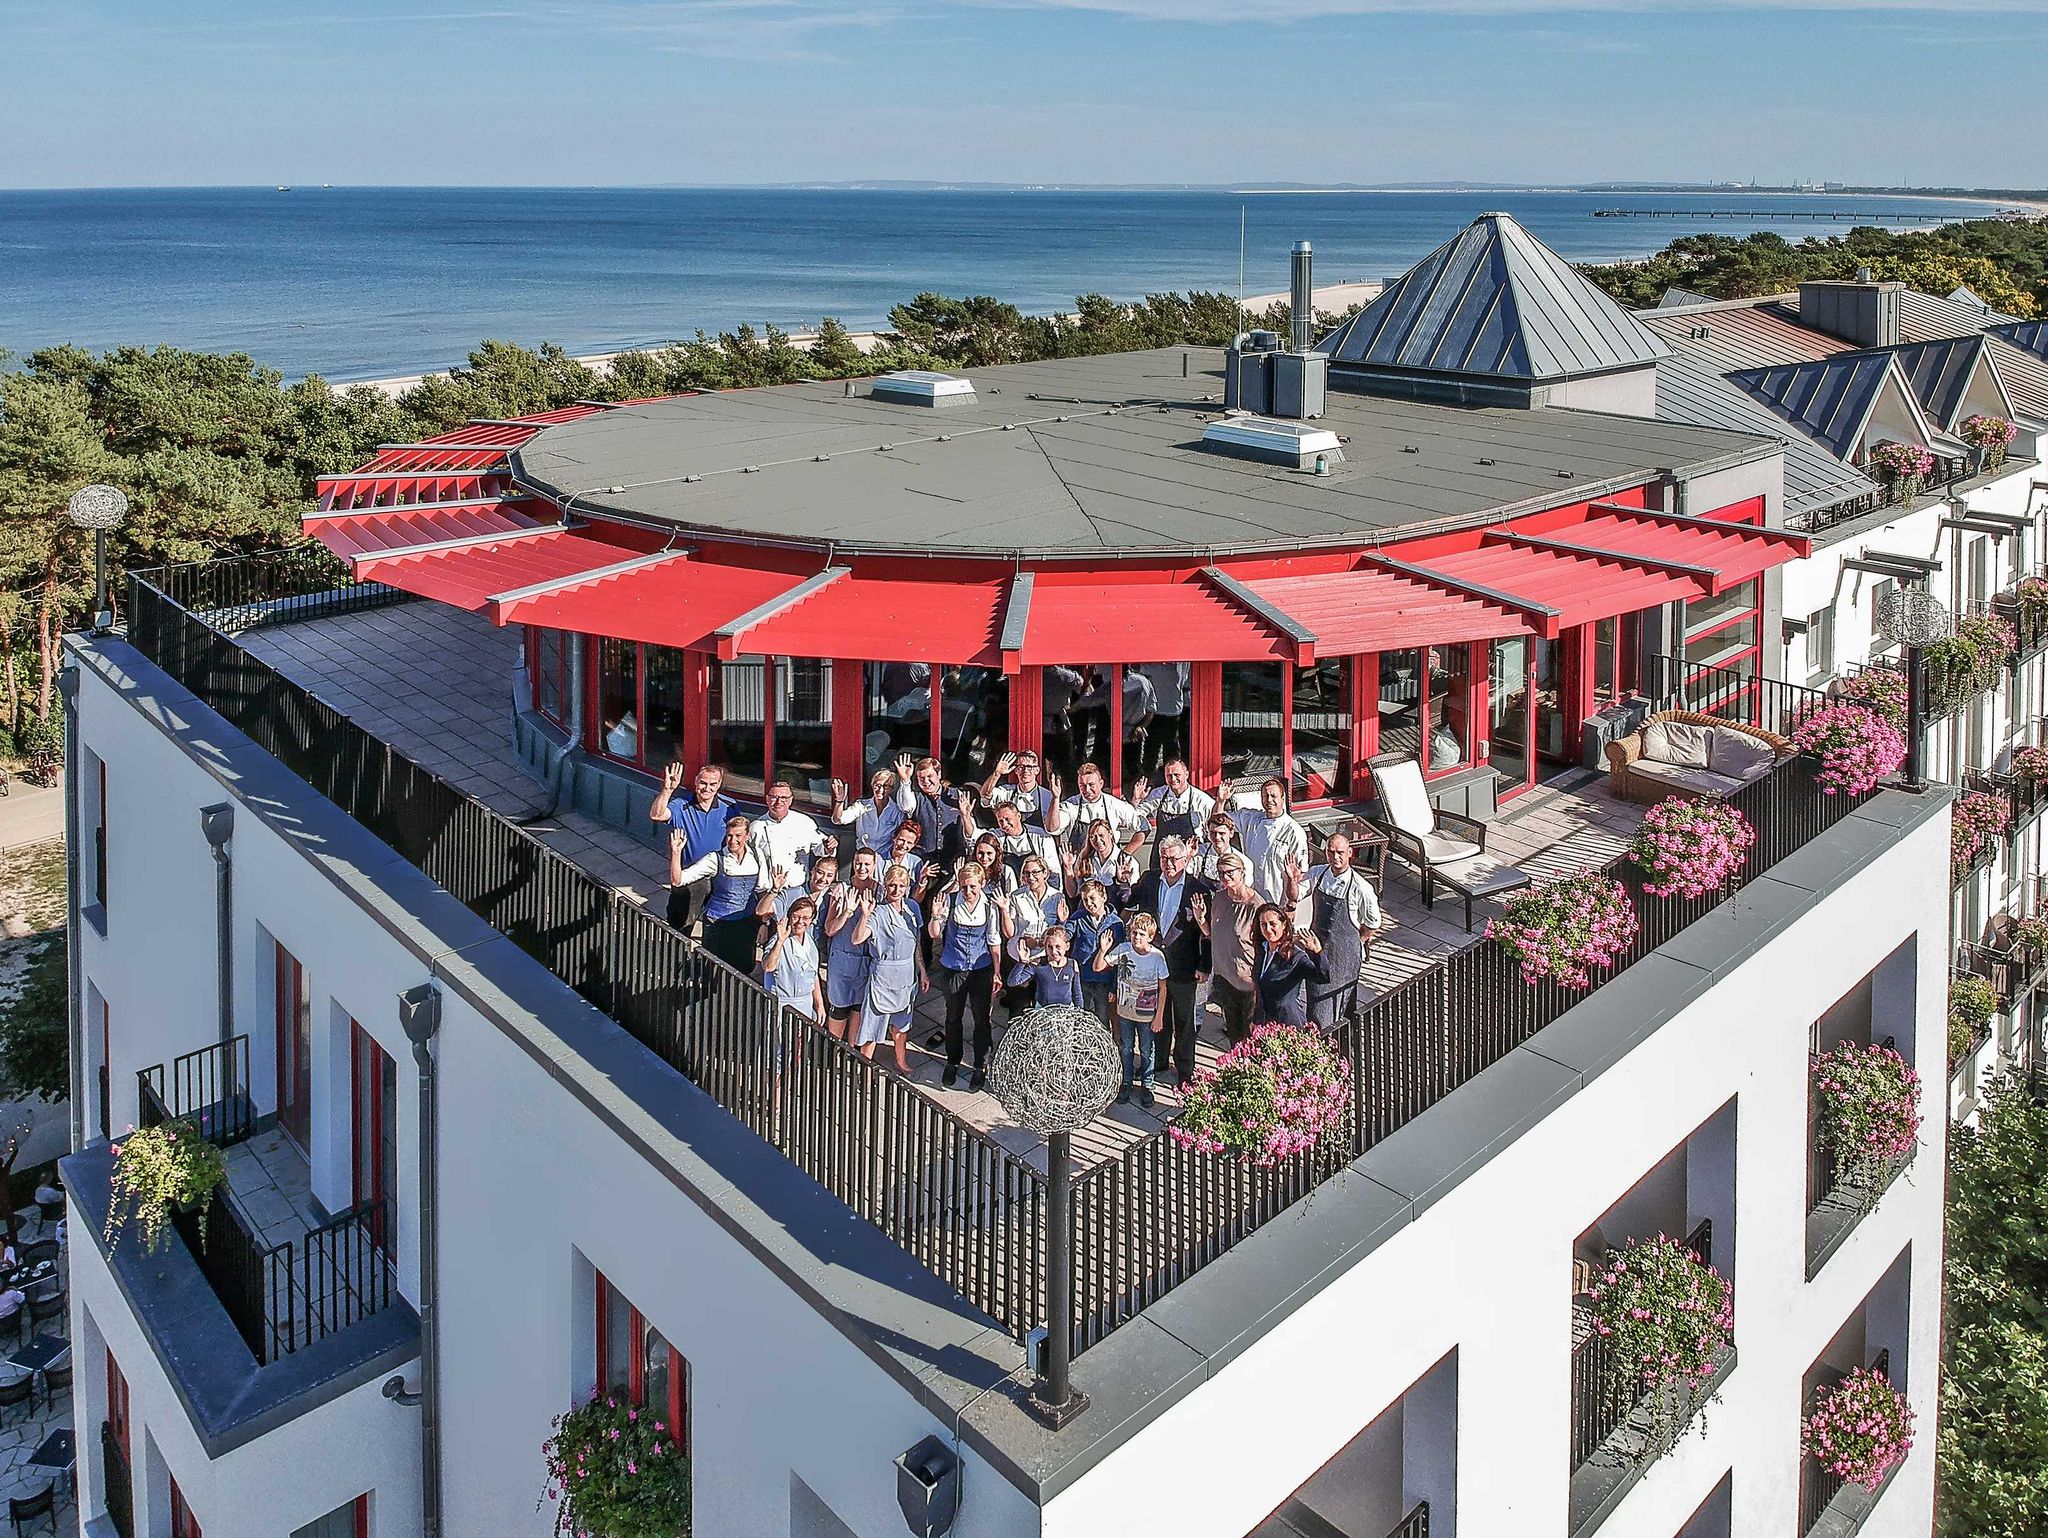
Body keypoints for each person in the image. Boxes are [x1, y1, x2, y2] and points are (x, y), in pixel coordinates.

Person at [1123, 835, 1212, 1093]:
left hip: (1184, 968)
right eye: (1164, 858)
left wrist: (1204, 966)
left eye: (1174, 858)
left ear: (1185, 860)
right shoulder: (1151, 879)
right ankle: (1159, 1062)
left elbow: (1206, 934)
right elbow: (1128, 899)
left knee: (1184, 1022)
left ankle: (1185, 1072)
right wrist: (1123, 880)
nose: (1168, 863)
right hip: (1154, 968)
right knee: (1157, 1018)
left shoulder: (1198, 890)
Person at [929, 859, 1005, 1089]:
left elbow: (994, 941)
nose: (969, 891)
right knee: (953, 1017)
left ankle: (980, 1065)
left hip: (981, 970)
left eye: (973, 886)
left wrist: (997, 972)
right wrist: (935, 917)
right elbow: (935, 935)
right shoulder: (950, 902)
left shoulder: (989, 906)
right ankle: (952, 1061)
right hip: (954, 967)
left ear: (981, 884)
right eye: (964, 887)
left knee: (982, 1019)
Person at [1298, 834, 1382, 1030]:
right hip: (1318, 952)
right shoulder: (1318, 874)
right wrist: (1292, 880)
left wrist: (1357, 940)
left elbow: (1373, 921)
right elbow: (1295, 895)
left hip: (1345, 958)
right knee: (1318, 1005)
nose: (1335, 857)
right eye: (1331, 852)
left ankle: (1344, 1045)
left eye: (1340, 853)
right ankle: (1321, 1047)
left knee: (1343, 1004)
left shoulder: (1361, 888)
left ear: (1350, 853)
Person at [668, 814, 767, 974]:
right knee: (714, 968)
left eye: (738, 836)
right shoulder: (715, 858)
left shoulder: (757, 855)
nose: (733, 840)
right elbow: (678, 880)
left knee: (743, 968)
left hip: (746, 923)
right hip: (718, 924)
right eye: (729, 835)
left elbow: (762, 890)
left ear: (747, 836)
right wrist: (676, 853)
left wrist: (763, 923)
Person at [851, 865, 927, 1073]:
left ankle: (901, 1060)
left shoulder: (913, 908)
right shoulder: (878, 912)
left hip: (906, 973)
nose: (896, 890)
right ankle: (864, 1068)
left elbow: (916, 941)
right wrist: (865, 915)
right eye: (892, 885)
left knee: (902, 1023)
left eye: (901, 886)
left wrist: (922, 969)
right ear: (885, 886)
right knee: (872, 1025)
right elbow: (857, 939)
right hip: (884, 974)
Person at [649, 762, 734, 929]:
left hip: (719, 875)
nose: (707, 788)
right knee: (681, 924)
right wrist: (668, 790)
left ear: (719, 784)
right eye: (703, 783)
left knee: (715, 925)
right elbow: (657, 815)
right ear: (696, 782)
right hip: (690, 875)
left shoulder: (730, 806)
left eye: (713, 784)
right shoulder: (681, 805)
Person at [1098, 913, 1170, 1108]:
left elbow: (1163, 988)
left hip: (1147, 1014)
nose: (1136, 937)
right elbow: (1098, 967)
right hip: (1125, 1011)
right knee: (1126, 1047)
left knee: (1147, 1049)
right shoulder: (1123, 950)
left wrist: (1159, 1017)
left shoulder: (1157, 957)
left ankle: (1148, 1084)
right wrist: (1103, 950)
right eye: (1133, 933)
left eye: (1140, 934)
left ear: (1150, 936)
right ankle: (1126, 1081)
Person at [820, 849, 880, 1041]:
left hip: (866, 960)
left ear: (874, 865)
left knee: (858, 1008)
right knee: (839, 1008)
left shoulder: (880, 891)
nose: (862, 868)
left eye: (867, 864)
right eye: (858, 863)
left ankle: (851, 1053)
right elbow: (829, 929)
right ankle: (833, 1048)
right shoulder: (841, 890)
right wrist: (846, 912)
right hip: (842, 959)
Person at [1203, 853, 1263, 1045]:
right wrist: (1200, 918)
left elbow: (1264, 946)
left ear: (1242, 873)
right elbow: (1212, 934)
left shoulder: (1256, 906)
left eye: (1230, 873)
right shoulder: (1219, 899)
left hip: (1248, 982)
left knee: (1250, 1038)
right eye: (1221, 874)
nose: (1225, 878)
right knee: (1234, 1037)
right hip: (1226, 977)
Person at [1225, 777, 1311, 906]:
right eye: (1265, 796)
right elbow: (1219, 821)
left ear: (1283, 798)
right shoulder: (1251, 819)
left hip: (1277, 902)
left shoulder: (1294, 832)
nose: (1269, 800)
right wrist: (1221, 800)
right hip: (1250, 897)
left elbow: (1301, 874)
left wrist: (1292, 905)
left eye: (1273, 796)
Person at [1003, 855, 1068, 1016]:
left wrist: (1063, 920)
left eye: (1035, 872)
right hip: (1022, 958)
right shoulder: (1016, 897)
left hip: (1046, 959)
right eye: (1026, 874)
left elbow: (1061, 933)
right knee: (1018, 1008)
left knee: (1044, 1006)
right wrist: (1003, 911)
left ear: (1045, 873)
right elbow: (1010, 932)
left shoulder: (1057, 897)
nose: (1030, 877)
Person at [1252, 904, 1327, 1028]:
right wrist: (1256, 1020)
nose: (1268, 929)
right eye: (1263, 925)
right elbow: (1260, 989)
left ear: (1284, 925)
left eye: (1273, 924)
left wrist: (1317, 952)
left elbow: (1322, 977)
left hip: (1288, 1023)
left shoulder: (1295, 956)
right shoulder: (1262, 950)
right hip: (1266, 1023)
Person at [895, 754, 974, 872]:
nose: (926, 781)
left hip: (953, 866)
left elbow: (971, 833)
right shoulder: (916, 798)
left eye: (929, 776)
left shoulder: (957, 796)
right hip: (923, 865)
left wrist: (966, 816)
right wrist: (905, 781)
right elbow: (906, 806)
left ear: (939, 774)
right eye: (921, 778)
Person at [1132, 760, 1215, 871]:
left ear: (1186, 774)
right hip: (1162, 856)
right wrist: (1136, 800)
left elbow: (1217, 822)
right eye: (1169, 776)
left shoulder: (1201, 800)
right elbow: (1135, 817)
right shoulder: (1158, 794)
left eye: (1177, 775)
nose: (1173, 779)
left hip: (1189, 857)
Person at [1066, 879, 1124, 1032]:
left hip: (1103, 980)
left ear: (1103, 897)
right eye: (1085, 900)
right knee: (1080, 1018)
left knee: (1102, 1021)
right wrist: (1063, 920)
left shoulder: (1116, 923)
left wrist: (1114, 987)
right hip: (1082, 977)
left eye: (1092, 898)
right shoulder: (1078, 917)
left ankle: (1101, 1053)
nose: (1089, 903)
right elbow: (1065, 935)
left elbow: (1120, 959)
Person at [750, 779, 831, 884]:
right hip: (768, 889)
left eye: (784, 798)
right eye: (774, 797)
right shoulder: (755, 827)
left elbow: (820, 849)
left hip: (797, 886)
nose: (779, 802)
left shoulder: (804, 823)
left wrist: (828, 846)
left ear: (790, 800)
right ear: (767, 799)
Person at [760, 896, 827, 1026]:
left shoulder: (810, 942)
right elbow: (768, 966)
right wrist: (780, 941)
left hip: (805, 1005)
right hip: (781, 1005)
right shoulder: (778, 940)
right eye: (796, 917)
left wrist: (819, 1005)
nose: (800, 922)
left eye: (806, 918)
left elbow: (813, 976)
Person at [1059, 762, 1143, 855]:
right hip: (1079, 865)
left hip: (1109, 866)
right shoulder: (1070, 806)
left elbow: (1144, 827)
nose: (1087, 790)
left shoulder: (1114, 804)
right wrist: (1055, 798)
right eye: (1082, 786)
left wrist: (1125, 854)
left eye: (1091, 785)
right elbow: (1053, 829)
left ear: (1101, 783)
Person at [831, 768, 907, 855]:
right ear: (872, 785)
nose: (880, 790)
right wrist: (840, 800)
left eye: (885, 786)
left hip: (885, 857)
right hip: (863, 856)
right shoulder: (861, 805)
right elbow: (838, 820)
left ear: (891, 789)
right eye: (877, 785)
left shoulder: (897, 811)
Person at [980, 751, 1060, 832]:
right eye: (1021, 767)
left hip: (1038, 842)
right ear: (1016, 770)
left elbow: (1053, 829)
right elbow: (985, 795)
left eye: (1030, 767)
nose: (1025, 771)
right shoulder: (1007, 792)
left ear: (1037, 770)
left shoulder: (1047, 796)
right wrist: (997, 773)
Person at [989, 799, 1061, 886]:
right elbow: (977, 837)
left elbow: (1054, 871)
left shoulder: (1041, 836)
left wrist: (1054, 895)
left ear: (1018, 816)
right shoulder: (997, 837)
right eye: (1000, 821)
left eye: (1007, 819)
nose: (1004, 824)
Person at [1063, 818, 1137, 901]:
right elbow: (1073, 893)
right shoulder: (1085, 860)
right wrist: (1068, 867)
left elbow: (1133, 899)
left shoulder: (1126, 861)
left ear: (1110, 834)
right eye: (1092, 837)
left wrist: (1122, 882)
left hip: (1117, 910)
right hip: (1089, 910)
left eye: (1101, 835)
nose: (1097, 840)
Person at [1135, 663, 1189, 772]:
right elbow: (1184, 680)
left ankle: (1148, 774)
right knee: (1171, 745)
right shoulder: (1182, 662)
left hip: (1156, 709)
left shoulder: (1152, 664)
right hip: (1173, 707)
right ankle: (1171, 773)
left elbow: (1141, 674)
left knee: (1152, 746)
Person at [1027, 921, 1084, 1009]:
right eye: (1049, 947)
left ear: (1067, 946)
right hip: (1043, 1010)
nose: (1053, 952)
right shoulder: (1039, 963)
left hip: (1066, 1011)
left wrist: (1080, 1012)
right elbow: (1013, 982)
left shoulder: (1072, 964)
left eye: (1058, 947)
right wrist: (1022, 962)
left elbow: (1077, 993)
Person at [1189, 809, 1241, 885]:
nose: (1217, 837)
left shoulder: (1242, 860)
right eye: (1213, 833)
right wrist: (1188, 856)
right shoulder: (1198, 853)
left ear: (1231, 833)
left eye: (1221, 833)